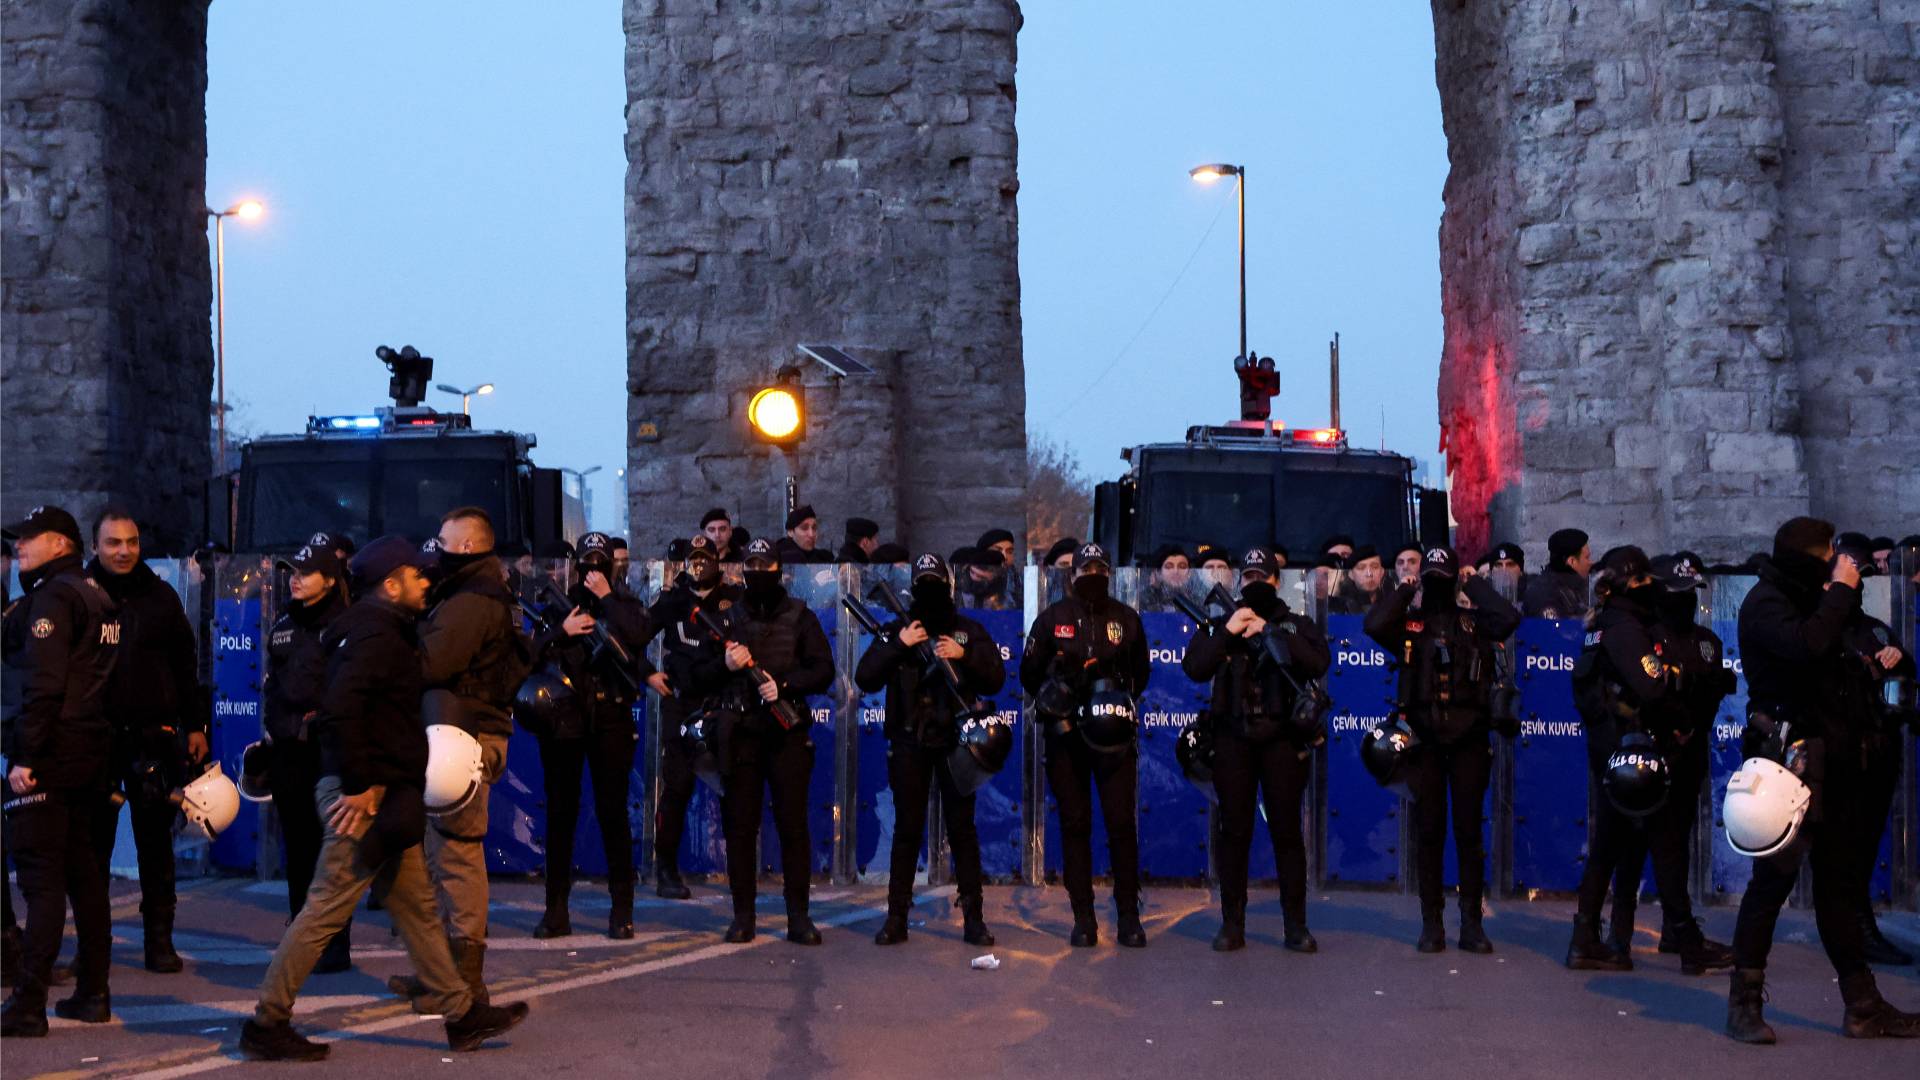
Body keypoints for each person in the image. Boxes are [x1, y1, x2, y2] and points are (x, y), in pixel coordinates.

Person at [239, 537, 529, 1061]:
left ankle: (462, 1015)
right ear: (391, 584)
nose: (426, 583)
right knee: (325, 907)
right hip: (365, 798)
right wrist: (360, 786)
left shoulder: (377, 630)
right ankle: (267, 1022)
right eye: (417, 576)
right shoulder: (375, 635)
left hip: (383, 795)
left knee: (416, 908)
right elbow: (342, 711)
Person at [1726, 517, 1920, 1043]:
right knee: (1772, 886)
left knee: (1839, 885)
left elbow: (1846, 651)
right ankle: (1744, 1001)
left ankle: (1863, 1004)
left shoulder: (1824, 598)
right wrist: (1838, 591)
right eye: (1829, 551)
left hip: (1838, 767)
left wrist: (1885, 657)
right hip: (1790, 763)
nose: (1839, 559)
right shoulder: (1767, 602)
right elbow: (1807, 646)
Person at [1365, 545, 1521, 954]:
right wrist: (1403, 590)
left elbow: (1508, 618)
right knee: (1429, 832)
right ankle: (1431, 922)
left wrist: (1475, 583)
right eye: (1429, 577)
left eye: (1443, 578)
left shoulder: (1472, 622)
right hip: (1424, 742)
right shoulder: (1410, 625)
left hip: (1469, 738)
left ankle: (1471, 923)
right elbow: (1374, 624)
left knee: (1469, 833)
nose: (1436, 585)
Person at [0, 506, 118, 1038]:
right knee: (84, 876)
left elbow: (45, 685)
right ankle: (93, 990)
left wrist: (26, 756)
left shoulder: (54, 598)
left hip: (53, 754)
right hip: (90, 753)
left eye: (29, 540)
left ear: (60, 543)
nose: (19, 548)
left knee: (43, 882)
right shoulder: (96, 593)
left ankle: (28, 1004)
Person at [1182, 547, 1331, 952]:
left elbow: (1319, 662)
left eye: (1262, 578)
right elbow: (1194, 666)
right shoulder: (1223, 620)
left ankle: (1295, 925)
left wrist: (1269, 630)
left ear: (1277, 581)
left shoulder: (1295, 624)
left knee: (1286, 832)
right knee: (1234, 832)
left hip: (1282, 737)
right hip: (1233, 737)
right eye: (1248, 578)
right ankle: (1232, 923)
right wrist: (1229, 630)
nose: (1255, 584)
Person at [855, 553, 1006, 946]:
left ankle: (974, 918)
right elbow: (865, 677)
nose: (930, 589)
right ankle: (896, 918)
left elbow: (995, 678)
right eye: (923, 582)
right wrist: (898, 645)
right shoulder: (900, 629)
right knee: (906, 829)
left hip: (958, 742)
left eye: (935, 581)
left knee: (962, 830)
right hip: (910, 740)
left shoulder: (966, 631)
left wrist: (964, 655)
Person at [1593, 551, 1735, 971]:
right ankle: (1629, 937)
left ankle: (1675, 934)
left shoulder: (1706, 641)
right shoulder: (1643, 633)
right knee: (1634, 848)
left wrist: (1694, 707)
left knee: (1675, 845)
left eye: (1691, 592)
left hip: (1689, 752)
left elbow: (1711, 692)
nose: (1686, 599)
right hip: (1647, 753)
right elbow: (1645, 691)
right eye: (1678, 591)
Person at [85, 508, 209, 974]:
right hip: (96, 739)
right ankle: (92, 946)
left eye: (131, 541)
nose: (123, 550)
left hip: (152, 739)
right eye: (113, 542)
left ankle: (160, 941)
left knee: (155, 845)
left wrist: (194, 726)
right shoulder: (80, 596)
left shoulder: (160, 597)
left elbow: (185, 663)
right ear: (95, 545)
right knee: (92, 848)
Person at [416, 507, 529, 1007]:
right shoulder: (474, 592)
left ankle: (464, 984)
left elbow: (432, 663)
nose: (434, 547)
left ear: (465, 547)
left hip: (465, 739)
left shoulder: (470, 601)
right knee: (440, 858)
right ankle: (443, 975)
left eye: (443, 540)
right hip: (459, 736)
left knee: (457, 857)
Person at [701, 539, 834, 943]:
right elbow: (694, 676)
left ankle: (798, 917)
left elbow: (823, 669)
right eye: (751, 565)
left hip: (786, 733)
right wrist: (724, 664)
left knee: (793, 826)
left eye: (765, 565)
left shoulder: (800, 616)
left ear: (778, 570)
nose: (758, 572)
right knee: (740, 828)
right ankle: (743, 916)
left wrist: (786, 685)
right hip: (740, 734)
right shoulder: (725, 618)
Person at [1021, 543, 1152, 947]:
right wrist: (1064, 682)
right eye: (1085, 568)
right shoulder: (1051, 619)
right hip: (1067, 735)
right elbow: (1028, 673)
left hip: (1113, 734)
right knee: (1075, 824)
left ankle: (1129, 916)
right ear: (1072, 574)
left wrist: (1112, 688)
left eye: (1100, 567)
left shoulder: (1125, 618)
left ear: (1108, 573)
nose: (1092, 573)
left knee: (1120, 824)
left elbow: (1141, 673)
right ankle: (1084, 918)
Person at [529, 533, 649, 939]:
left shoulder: (625, 603)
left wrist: (609, 599)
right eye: (588, 564)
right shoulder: (558, 605)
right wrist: (562, 630)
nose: (594, 571)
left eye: (602, 563)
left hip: (611, 716)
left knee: (613, 812)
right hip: (566, 719)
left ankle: (622, 909)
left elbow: (639, 637)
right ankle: (555, 909)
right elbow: (531, 652)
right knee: (561, 813)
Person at [262, 542, 354, 973]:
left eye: (306, 571)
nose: (295, 577)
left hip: (327, 750)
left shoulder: (344, 624)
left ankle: (334, 945)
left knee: (331, 852)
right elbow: (273, 684)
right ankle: (302, 935)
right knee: (297, 850)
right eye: (291, 569)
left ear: (331, 579)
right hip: (288, 753)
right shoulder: (282, 622)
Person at [638, 535, 740, 899]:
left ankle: (740, 872)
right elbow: (633, 637)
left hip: (722, 703)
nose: (699, 565)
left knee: (732, 786)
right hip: (680, 704)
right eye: (693, 559)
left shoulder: (733, 600)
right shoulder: (672, 601)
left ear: (717, 560)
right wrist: (648, 672)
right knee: (677, 789)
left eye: (705, 558)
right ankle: (665, 869)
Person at [1829, 538, 1915, 967]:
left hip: (1879, 750)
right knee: (1844, 852)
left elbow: (1903, 681)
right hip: (1844, 754)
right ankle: (1855, 933)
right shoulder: (1826, 626)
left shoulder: (1874, 628)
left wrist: (1898, 658)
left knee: (1862, 848)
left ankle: (1861, 930)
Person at [1523, 527, 1592, 619]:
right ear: (1571, 561)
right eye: (1587, 557)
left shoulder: (1575, 586)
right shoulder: (1544, 594)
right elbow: (1552, 630)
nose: (1591, 562)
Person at [1331, 545, 1386, 614]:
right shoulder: (1340, 607)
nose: (1369, 574)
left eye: (1375, 567)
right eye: (1361, 568)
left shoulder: (1392, 601)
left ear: (1382, 571)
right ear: (1351, 575)